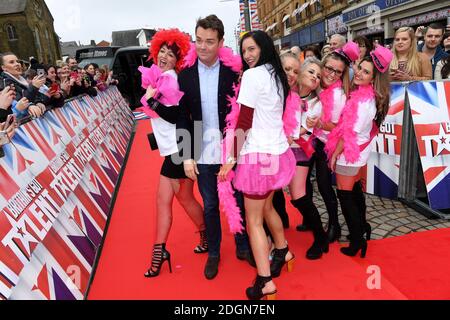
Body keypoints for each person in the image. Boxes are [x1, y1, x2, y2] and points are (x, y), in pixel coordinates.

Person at [218, 30, 296, 300]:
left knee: (253, 221)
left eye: (252, 49)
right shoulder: (278, 75)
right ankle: (284, 250)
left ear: (263, 47)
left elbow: (244, 122)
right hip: (277, 155)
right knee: (266, 208)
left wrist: (230, 160)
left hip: (257, 157)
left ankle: (265, 281)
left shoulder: (252, 76)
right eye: (244, 51)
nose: (247, 55)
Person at [177, 15, 255, 280]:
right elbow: (182, 117)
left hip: (231, 147)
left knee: (238, 199)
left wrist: (236, 150)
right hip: (202, 150)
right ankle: (214, 254)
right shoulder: (184, 76)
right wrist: (187, 156)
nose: (203, 46)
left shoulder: (234, 73)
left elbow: (244, 113)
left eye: (209, 41)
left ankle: (244, 247)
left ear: (221, 42)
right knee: (210, 205)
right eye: (198, 40)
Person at [142, 29, 208, 278]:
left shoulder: (170, 79)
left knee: (177, 200)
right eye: (162, 51)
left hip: (180, 148)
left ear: (176, 61)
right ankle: (204, 237)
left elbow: (175, 115)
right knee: (172, 200)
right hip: (176, 148)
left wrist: (151, 101)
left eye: (170, 54)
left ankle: (160, 254)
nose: (164, 56)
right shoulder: (161, 77)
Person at [326, 45, 393, 258]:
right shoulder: (367, 96)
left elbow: (348, 134)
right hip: (359, 153)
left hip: (350, 153)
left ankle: (357, 241)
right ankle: (362, 228)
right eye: (360, 68)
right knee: (354, 191)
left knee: (345, 196)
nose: (359, 73)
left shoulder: (365, 102)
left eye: (366, 72)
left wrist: (335, 154)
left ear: (373, 79)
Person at [306, 42, 359, 243]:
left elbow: (340, 126)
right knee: (305, 182)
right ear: (322, 65)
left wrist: (319, 123)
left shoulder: (338, 95)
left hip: (328, 145)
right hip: (314, 140)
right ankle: (309, 219)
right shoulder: (318, 84)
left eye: (338, 72)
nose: (332, 74)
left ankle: (334, 225)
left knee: (325, 186)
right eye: (329, 68)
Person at [287, 57, 329, 260]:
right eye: (311, 71)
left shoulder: (316, 103)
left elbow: (302, 130)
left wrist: (287, 135)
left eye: (318, 75)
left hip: (300, 149)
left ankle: (320, 237)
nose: (315, 77)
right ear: (300, 72)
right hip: (280, 149)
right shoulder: (286, 93)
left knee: (298, 195)